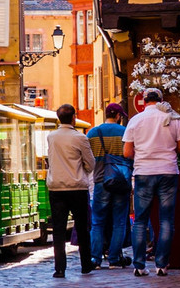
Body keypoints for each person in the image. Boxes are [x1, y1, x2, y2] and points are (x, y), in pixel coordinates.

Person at [123, 88, 180, 277]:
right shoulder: (173, 119)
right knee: (166, 219)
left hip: (144, 172)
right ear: (161, 100)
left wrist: (144, 154)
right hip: (168, 171)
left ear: (144, 101)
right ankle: (161, 264)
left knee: (141, 221)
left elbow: (127, 152)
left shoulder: (136, 120)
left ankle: (139, 265)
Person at [45, 103, 96, 278]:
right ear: (73, 117)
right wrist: (81, 170)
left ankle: (60, 268)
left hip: (56, 186)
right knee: (82, 227)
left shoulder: (52, 137)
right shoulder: (80, 138)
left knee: (58, 230)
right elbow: (91, 163)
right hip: (77, 187)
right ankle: (86, 265)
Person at [87, 103, 133, 269]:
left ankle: (96, 259)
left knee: (98, 222)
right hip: (122, 181)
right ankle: (114, 258)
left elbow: (88, 158)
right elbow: (131, 155)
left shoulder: (93, 133)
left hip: (101, 181)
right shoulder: (125, 132)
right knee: (119, 221)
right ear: (119, 116)